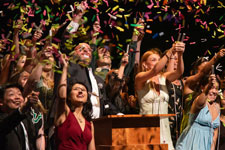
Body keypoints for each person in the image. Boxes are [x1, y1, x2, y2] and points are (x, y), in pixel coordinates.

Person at [135, 42, 185, 150]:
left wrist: (180, 55)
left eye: (159, 60)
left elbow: (179, 71)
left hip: (164, 128)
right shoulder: (140, 78)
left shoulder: (164, 78)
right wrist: (170, 51)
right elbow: (155, 70)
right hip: (146, 128)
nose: (158, 62)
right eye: (153, 60)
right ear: (144, 64)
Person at [54, 54, 95, 150]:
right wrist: (65, 68)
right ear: (69, 96)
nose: (80, 91)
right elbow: (61, 96)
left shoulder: (90, 123)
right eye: (76, 89)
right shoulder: (64, 113)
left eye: (83, 90)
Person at [180, 49, 225, 133]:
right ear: (195, 71)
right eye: (205, 69)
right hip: (189, 129)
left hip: (206, 130)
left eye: (209, 70)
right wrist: (216, 58)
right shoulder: (189, 83)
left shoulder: (213, 87)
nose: (207, 73)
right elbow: (202, 73)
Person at [176, 74, 220, 150]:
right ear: (203, 88)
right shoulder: (198, 102)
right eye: (212, 88)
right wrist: (208, 88)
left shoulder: (217, 106)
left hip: (206, 146)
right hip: (191, 144)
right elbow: (200, 102)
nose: (214, 91)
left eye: (216, 88)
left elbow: (215, 133)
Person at [0, 83, 45, 150]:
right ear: (1, 102)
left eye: (19, 94)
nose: (17, 97)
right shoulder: (2, 120)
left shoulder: (26, 119)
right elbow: (8, 123)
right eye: (11, 94)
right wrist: (24, 108)